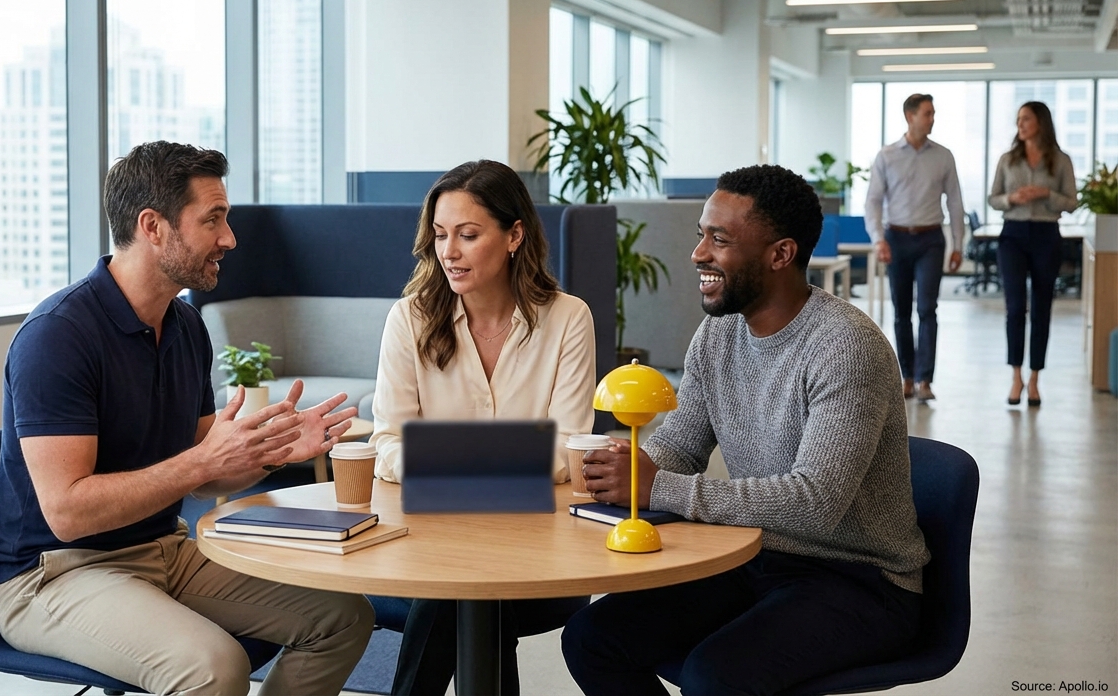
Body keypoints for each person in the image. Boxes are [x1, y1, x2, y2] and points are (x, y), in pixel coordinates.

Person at [0, 141, 374, 696]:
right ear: (153, 225)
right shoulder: (58, 336)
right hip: (56, 573)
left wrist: (266, 455)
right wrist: (201, 462)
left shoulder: (186, 326)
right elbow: (68, 512)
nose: (229, 238)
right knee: (213, 668)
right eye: (212, 220)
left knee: (342, 617)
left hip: (162, 550)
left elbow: (209, 473)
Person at [563, 164, 929, 696]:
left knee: (716, 676)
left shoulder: (847, 347)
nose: (698, 254)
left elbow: (814, 501)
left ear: (780, 254)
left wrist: (657, 486)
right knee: (592, 638)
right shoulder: (718, 333)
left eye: (720, 240)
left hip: (859, 579)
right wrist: (622, 463)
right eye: (700, 236)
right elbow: (681, 445)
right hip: (755, 555)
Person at [369, 159, 596, 695]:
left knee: (462, 595)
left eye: (468, 235)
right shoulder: (410, 319)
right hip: (429, 537)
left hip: (537, 542)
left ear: (515, 235)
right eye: (441, 235)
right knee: (461, 591)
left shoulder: (568, 319)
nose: (448, 251)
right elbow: (385, 445)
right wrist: (509, 459)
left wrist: (439, 458)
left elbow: (567, 451)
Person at [865, 93, 966, 403]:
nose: (932, 118)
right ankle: (906, 376)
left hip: (931, 239)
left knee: (927, 309)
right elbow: (873, 201)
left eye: (933, 113)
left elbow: (955, 201)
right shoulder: (887, 156)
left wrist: (958, 243)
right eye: (927, 113)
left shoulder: (944, 156)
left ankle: (925, 380)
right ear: (910, 117)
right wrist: (878, 239)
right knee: (901, 311)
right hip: (896, 239)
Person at [989, 101, 1078, 407]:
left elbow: (1072, 202)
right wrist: (1011, 198)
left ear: (1040, 121)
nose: (1021, 124)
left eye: (1026, 119)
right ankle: (1016, 376)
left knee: (1042, 308)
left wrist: (1045, 194)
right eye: (1018, 120)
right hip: (1012, 234)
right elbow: (993, 198)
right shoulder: (1007, 159)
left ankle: (1036, 379)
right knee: (1015, 307)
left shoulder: (1061, 160)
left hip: (1045, 234)